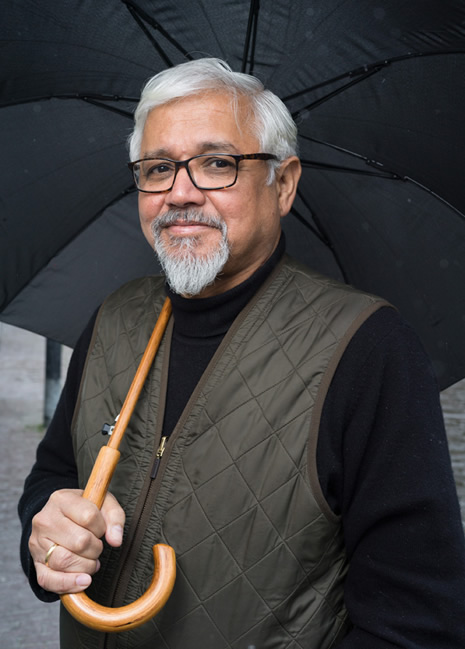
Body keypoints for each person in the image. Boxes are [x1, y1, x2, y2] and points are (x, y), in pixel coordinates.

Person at [19, 58, 465, 649]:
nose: (180, 192)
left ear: (282, 184)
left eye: (217, 164)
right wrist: (47, 533)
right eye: (158, 168)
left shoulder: (369, 348)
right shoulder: (113, 320)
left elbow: (416, 621)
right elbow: (55, 475)